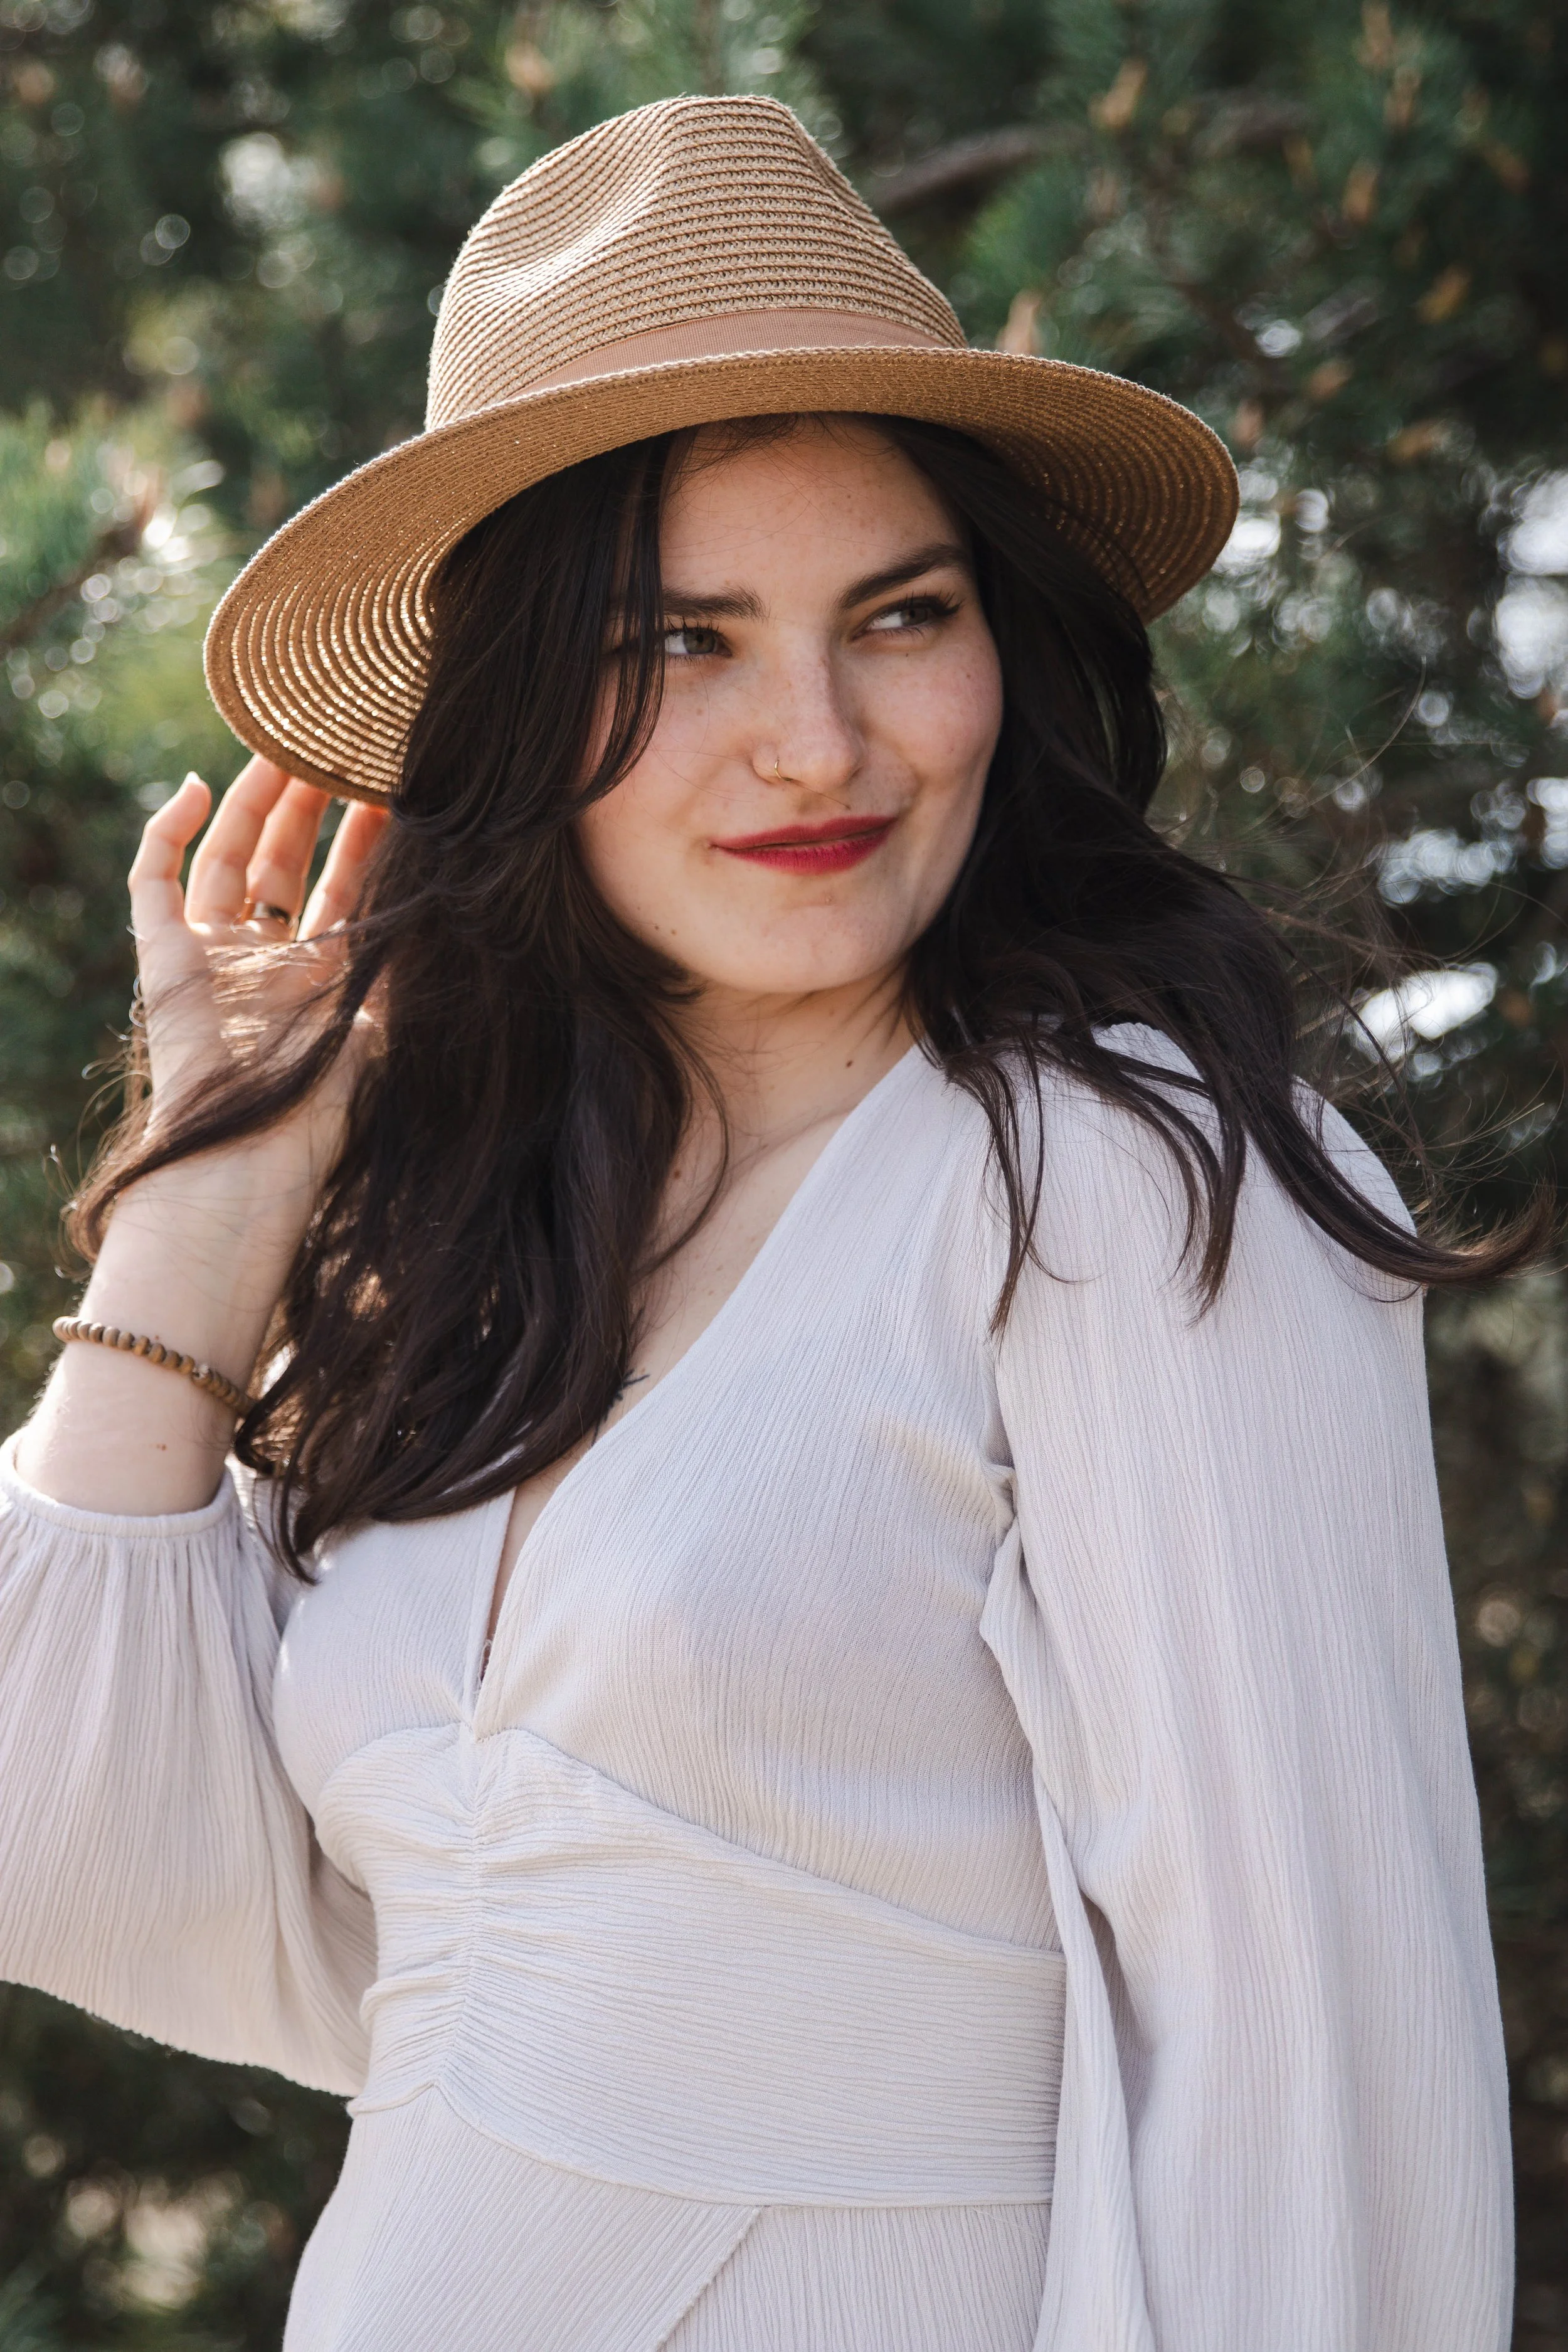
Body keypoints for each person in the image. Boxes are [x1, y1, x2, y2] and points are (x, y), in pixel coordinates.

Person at [0, 92, 1528, 2352]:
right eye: (682, 641)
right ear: (521, 715)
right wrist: (218, 1194)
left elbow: (1321, 2072)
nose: (816, 740)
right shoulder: (491, 1249)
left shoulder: (1117, 1177)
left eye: (895, 614)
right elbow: (77, 1852)